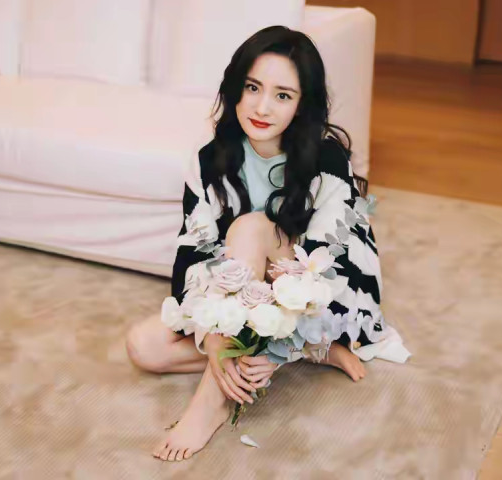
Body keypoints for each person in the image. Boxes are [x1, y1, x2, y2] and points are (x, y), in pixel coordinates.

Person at [126, 25, 409, 463]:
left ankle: (211, 404)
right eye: (253, 87)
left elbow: (335, 268)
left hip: (314, 292)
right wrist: (216, 340)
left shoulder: (327, 159)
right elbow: (192, 256)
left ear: (301, 104)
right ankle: (305, 353)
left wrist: (283, 341)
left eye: (282, 95)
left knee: (251, 228)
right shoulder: (209, 158)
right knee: (143, 346)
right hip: (242, 295)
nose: (261, 107)